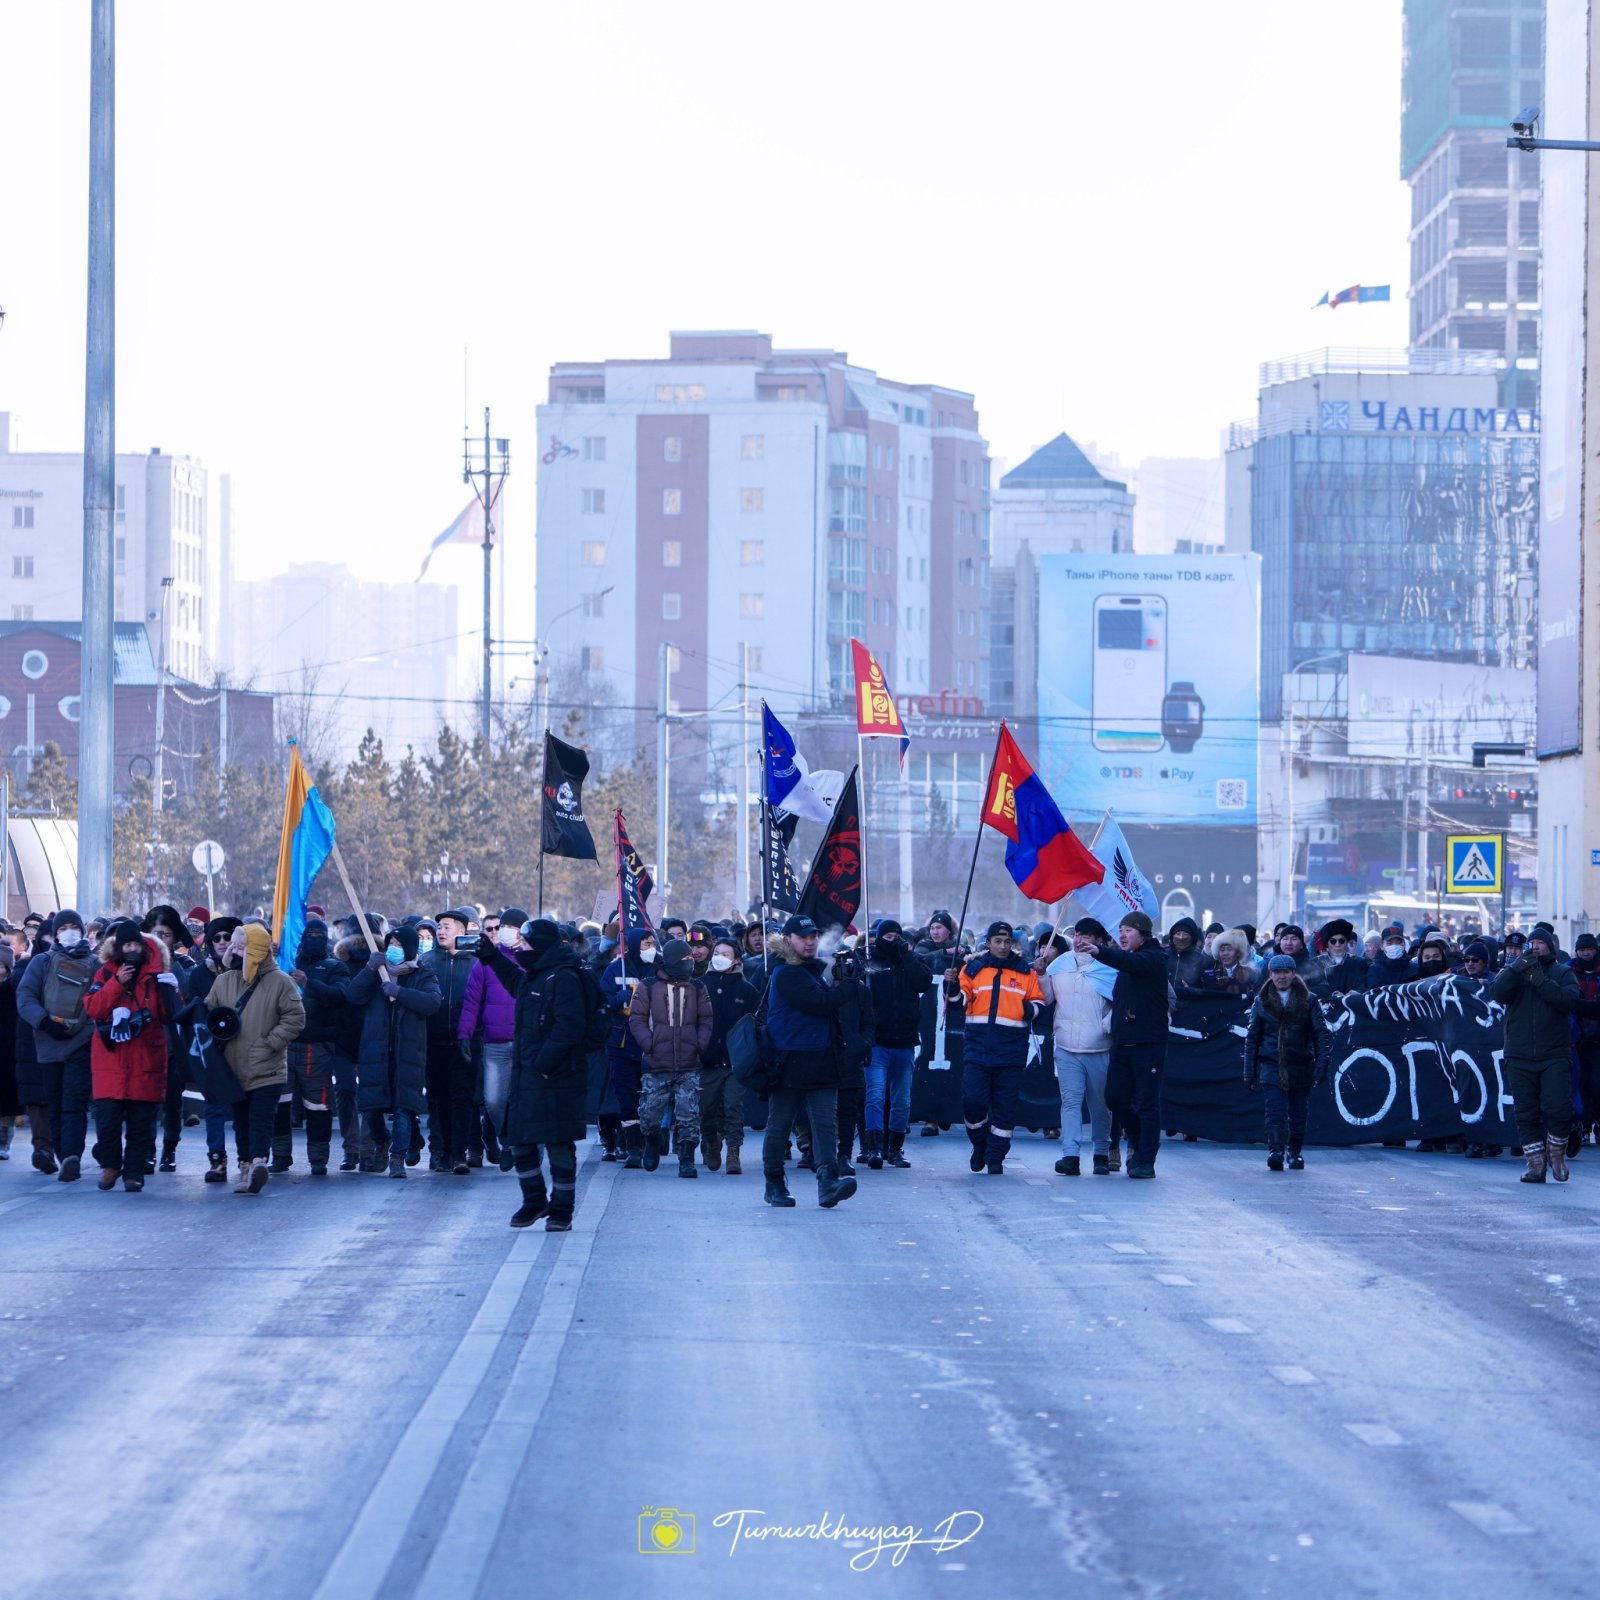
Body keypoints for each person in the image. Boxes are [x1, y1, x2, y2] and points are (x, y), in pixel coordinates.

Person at [479, 918, 591, 1231]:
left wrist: (543, 1064)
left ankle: (561, 1210)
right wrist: (492, 957)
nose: (522, 949)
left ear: (540, 945)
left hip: (557, 1076)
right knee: (520, 1140)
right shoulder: (537, 974)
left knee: (558, 1144)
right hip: (527, 1075)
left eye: (526, 944)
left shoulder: (563, 976)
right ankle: (534, 1200)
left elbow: (570, 1027)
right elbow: (518, 984)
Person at [761, 915, 858, 1209]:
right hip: (790, 1062)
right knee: (780, 1125)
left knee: (826, 1125)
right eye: (803, 936)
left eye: (814, 935)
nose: (811, 941)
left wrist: (841, 978)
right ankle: (774, 1182)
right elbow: (819, 1004)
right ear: (788, 939)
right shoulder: (787, 973)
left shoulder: (809, 970)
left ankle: (828, 1181)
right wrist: (848, 986)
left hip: (819, 1060)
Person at [202, 923, 307, 1193]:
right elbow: (210, 1012)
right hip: (232, 1066)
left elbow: (295, 1017)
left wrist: (270, 1042)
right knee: (240, 1121)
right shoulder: (224, 980)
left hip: (267, 1066)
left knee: (260, 1118)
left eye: (239, 946)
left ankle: (259, 1160)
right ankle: (245, 1166)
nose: (232, 950)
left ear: (255, 950)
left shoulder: (281, 982)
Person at [80, 920, 184, 1192]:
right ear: (118, 947)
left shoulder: (155, 975)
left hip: (145, 1057)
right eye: (127, 945)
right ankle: (111, 1165)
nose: (132, 949)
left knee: (141, 1123)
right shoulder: (104, 973)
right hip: (110, 1060)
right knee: (108, 1121)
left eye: (136, 944)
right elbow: (93, 1008)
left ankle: (134, 1172)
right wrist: (116, 984)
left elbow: (169, 1016)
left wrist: (172, 992)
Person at [348, 925, 442, 1178]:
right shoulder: (376, 973)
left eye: (399, 945)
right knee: (372, 1110)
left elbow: (432, 1002)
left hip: (407, 1053)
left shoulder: (423, 973)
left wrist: (399, 992)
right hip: (375, 1052)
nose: (393, 950)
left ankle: (397, 1158)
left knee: (403, 1108)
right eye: (390, 944)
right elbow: (353, 996)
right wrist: (369, 970)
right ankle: (384, 1140)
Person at [15, 909, 97, 1183]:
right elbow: (25, 996)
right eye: (64, 928)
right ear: (55, 933)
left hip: (80, 1043)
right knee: (55, 1100)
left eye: (75, 927)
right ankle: (65, 1155)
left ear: (83, 931)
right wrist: (44, 1022)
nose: (69, 932)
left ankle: (71, 1155)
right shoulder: (42, 962)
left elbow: (101, 1004)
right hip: (49, 1042)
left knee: (73, 1101)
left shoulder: (96, 964)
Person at [957, 920, 1046, 1176]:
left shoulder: (1024, 972)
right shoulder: (972, 969)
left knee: (1005, 1108)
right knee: (972, 1102)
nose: (1003, 946)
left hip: (1012, 1052)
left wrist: (1029, 1010)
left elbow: (1039, 1001)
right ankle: (980, 1145)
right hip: (978, 1048)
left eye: (1008, 942)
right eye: (998, 941)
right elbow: (959, 1001)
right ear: (989, 944)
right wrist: (951, 987)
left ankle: (996, 1156)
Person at [1493, 926, 1580, 1183]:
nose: (1535, 947)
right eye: (1531, 943)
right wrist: (1516, 968)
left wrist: (1540, 979)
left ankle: (1557, 1156)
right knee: (1525, 1111)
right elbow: (1497, 993)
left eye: (1540, 943)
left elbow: (1568, 1002)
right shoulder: (1514, 972)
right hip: (1518, 1053)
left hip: (1554, 1052)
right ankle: (1535, 1164)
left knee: (1558, 1108)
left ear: (1550, 947)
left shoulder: (1563, 973)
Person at [1095, 911, 1170, 1180]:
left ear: (1143, 934)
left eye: (1128, 930)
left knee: (1147, 1103)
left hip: (1148, 1043)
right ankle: (1137, 1139)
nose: (1123, 935)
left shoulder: (1153, 958)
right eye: (1121, 930)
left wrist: (1098, 950)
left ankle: (1146, 1159)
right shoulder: (1129, 963)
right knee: (1115, 1098)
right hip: (1123, 1041)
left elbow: (1129, 961)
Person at [1037, 918, 1115, 1175]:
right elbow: (1047, 998)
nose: (1082, 940)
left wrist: (1109, 1021)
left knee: (1100, 1104)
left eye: (1089, 936)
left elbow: (1120, 1002)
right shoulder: (1060, 964)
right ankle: (1070, 1155)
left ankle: (1101, 1153)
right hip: (1067, 1046)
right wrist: (1040, 975)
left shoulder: (1110, 967)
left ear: (1100, 941)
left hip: (1099, 1047)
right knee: (1070, 1102)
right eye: (1079, 935)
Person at [629, 938, 712, 1177]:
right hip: (656, 1062)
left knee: (689, 1114)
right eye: (685, 959)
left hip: (689, 1062)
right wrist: (648, 1043)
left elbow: (706, 1019)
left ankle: (687, 1159)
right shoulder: (648, 986)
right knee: (649, 1113)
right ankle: (651, 1142)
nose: (690, 963)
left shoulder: (698, 988)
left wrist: (700, 1044)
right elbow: (637, 1019)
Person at [1243, 954, 1332, 1171]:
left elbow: (1320, 1034)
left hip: (1301, 1064)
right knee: (1275, 1109)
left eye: (1286, 972)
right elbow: (1252, 1037)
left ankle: (1295, 1152)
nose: (1282, 977)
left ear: (1293, 974)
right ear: (1271, 975)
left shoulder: (1309, 1000)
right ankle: (1276, 1151)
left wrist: (1322, 1063)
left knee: (1298, 1112)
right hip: (1271, 1064)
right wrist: (1249, 1071)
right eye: (1277, 972)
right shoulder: (1261, 1001)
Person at [279, 917, 347, 1177]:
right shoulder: (286, 964)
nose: (313, 939)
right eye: (310, 934)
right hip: (284, 1045)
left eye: (319, 935)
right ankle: (280, 1156)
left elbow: (341, 996)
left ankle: (318, 1159)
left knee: (317, 1106)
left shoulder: (334, 967)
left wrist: (309, 984)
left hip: (316, 1047)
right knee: (280, 1104)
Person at [864, 918, 932, 1170]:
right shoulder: (871, 964)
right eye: (888, 937)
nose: (893, 941)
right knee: (875, 1096)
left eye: (897, 937)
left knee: (902, 1100)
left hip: (904, 1041)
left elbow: (923, 983)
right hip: (878, 1042)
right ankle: (873, 1147)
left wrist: (907, 956)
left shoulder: (911, 961)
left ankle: (895, 1149)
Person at [420, 907, 480, 1175]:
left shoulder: (477, 962)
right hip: (433, 1040)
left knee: (462, 1098)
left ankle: (459, 1153)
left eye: (447, 926)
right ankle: (438, 1152)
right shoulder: (427, 961)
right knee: (437, 1098)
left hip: (465, 1041)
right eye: (439, 926)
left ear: (462, 931)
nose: (441, 931)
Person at [459, 912, 519, 1170]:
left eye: (508, 926)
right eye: (499, 926)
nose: (501, 931)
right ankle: (505, 1138)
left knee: (523, 1098)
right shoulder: (485, 963)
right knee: (493, 1100)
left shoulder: (532, 960)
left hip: (525, 1044)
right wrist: (464, 1033)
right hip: (494, 1043)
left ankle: (524, 1145)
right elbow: (472, 1002)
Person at [697, 936, 759, 1175]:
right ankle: (712, 1142)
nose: (721, 958)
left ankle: (734, 1152)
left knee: (733, 1107)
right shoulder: (701, 985)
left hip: (735, 1063)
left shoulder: (747, 990)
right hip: (707, 1061)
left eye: (726, 954)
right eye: (718, 953)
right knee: (707, 1108)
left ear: (736, 960)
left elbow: (755, 1024)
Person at [600, 925, 657, 1169]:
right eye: (646, 944)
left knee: (653, 1096)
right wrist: (616, 1000)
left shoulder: (659, 969)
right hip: (622, 1043)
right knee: (626, 1097)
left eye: (652, 944)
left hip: (653, 1043)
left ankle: (651, 1141)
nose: (650, 948)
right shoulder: (615, 969)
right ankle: (633, 1147)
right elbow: (600, 1002)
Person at [914, 909, 966, 1136]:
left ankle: (946, 1113)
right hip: (928, 1018)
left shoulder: (963, 950)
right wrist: (946, 952)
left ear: (949, 929)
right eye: (933, 927)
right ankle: (930, 1118)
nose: (935, 931)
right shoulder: (924, 948)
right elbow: (919, 960)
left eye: (940, 927)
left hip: (952, 1018)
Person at [832, 937, 875, 1177]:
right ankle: (821, 1152)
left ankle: (844, 1154)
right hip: (825, 1056)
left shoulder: (860, 990)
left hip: (851, 1057)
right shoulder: (822, 987)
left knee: (848, 1110)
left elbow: (869, 1023)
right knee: (823, 1110)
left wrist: (863, 1044)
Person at [1570, 934, 1600, 1148]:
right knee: (1580, 1083)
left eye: (1589, 949)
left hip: (1598, 1038)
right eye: (1582, 950)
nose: (1586, 953)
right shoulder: (1569, 972)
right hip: (1576, 1036)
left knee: (1596, 1083)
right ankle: (1583, 1125)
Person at [1194, 930, 1257, 998]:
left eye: (1229, 949)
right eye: (1222, 950)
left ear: (1238, 952)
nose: (1225, 953)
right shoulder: (1211, 976)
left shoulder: (1251, 973)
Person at [1314, 919, 1367, 998]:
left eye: (1341, 941)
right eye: (1333, 941)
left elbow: (1363, 985)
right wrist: (1331, 995)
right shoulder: (1316, 963)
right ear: (1327, 944)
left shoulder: (1359, 962)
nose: (1337, 945)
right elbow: (1311, 989)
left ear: (1346, 943)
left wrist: (1354, 993)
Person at [1164, 917, 1208, 989]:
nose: (1181, 937)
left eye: (1185, 934)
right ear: (1172, 936)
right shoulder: (1162, 955)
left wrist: (1192, 991)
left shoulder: (1202, 960)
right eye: (1178, 933)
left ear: (1192, 938)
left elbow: (1207, 988)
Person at [1367, 925, 1414, 989]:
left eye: (1399, 943)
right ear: (1382, 946)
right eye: (1389, 943)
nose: (1395, 946)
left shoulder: (1413, 968)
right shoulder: (1374, 970)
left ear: (1404, 945)